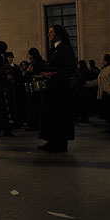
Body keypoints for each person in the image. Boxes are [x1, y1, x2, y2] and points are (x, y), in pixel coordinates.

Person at [37, 24, 77, 153]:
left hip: (61, 89)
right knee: (51, 115)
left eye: (51, 32)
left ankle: (60, 142)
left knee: (60, 116)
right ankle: (51, 140)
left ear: (58, 34)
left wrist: (53, 75)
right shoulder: (52, 49)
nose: (49, 34)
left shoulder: (64, 49)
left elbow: (69, 69)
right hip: (52, 88)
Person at [24, 47, 46, 131]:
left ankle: (37, 124)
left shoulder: (40, 63)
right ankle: (33, 123)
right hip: (31, 88)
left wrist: (32, 72)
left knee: (36, 106)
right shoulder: (32, 63)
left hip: (38, 88)